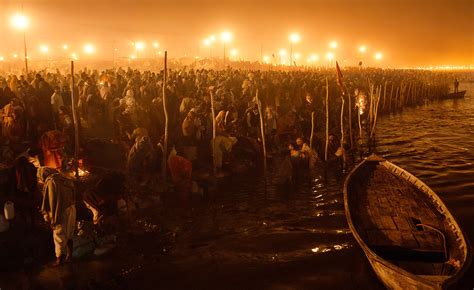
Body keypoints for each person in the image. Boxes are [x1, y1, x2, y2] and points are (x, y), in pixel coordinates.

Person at [38, 167, 76, 266]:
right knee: (69, 233)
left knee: (58, 236)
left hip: (61, 211)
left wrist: (50, 218)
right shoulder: (65, 178)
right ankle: (69, 256)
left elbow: (51, 202)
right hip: (71, 208)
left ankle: (59, 261)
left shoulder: (51, 182)